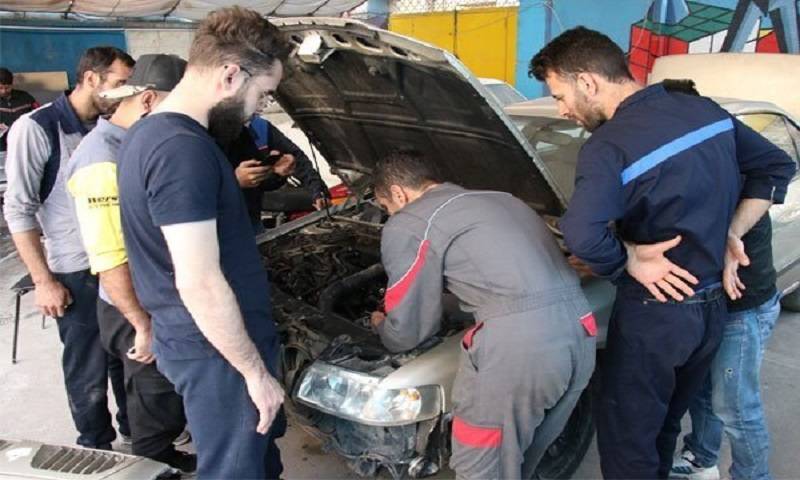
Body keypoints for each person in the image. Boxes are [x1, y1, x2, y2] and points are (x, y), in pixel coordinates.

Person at [529, 27, 795, 478]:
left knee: (629, 442)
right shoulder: (704, 111)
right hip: (710, 313)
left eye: (559, 96)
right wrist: (731, 231)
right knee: (665, 427)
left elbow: (581, 234)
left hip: (656, 316)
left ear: (588, 82)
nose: (562, 110)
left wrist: (628, 260)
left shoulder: (608, 145)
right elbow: (776, 166)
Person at [116, 7, 289, 478]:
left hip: (198, 340)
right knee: (233, 470)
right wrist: (254, 373)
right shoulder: (182, 151)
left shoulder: (149, 132)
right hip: (219, 353)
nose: (259, 108)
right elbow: (199, 281)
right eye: (262, 93)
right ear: (231, 75)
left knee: (258, 463)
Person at [369, 151, 596, 479]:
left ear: (398, 194)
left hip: (520, 350)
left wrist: (382, 327)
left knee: (483, 465)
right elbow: (500, 280)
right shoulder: (502, 199)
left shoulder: (411, 221)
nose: (390, 214)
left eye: (386, 206)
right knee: (522, 458)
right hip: (580, 331)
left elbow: (408, 329)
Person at [64, 54, 195, 474]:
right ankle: (155, 465)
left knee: (141, 394)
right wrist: (142, 324)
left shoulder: (129, 145)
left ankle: (155, 452)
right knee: (155, 396)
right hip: (130, 304)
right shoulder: (103, 159)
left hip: (139, 297)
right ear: (148, 100)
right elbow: (109, 256)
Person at [3, 46, 135, 450]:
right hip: (76, 270)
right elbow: (19, 209)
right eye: (120, 84)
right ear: (91, 78)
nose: (126, 94)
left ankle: (140, 438)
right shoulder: (37, 128)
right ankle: (97, 447)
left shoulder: (113, 125)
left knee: (127, 358)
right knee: (88, 367)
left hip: (119, 264)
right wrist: (44, 280)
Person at [669, 88, 795, 480]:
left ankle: (752, 476)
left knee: (736, 407)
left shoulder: (738, 164)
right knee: (704, 392)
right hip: (710, 303)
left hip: (743, 307)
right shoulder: (690, 159)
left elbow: (778, 169)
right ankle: (702, 458)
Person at [230, 114, 329, 231]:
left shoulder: (260, 127)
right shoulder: (211, 140)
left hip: (252, 218)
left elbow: (299, 161)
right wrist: (235, 181)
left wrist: (318, 192)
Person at [0, 67, 39, 152]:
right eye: (0, 88)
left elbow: (39, 114)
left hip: (24, 141)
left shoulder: (25, 97)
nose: (4, 91)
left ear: (12, 85)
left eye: (7, 88)